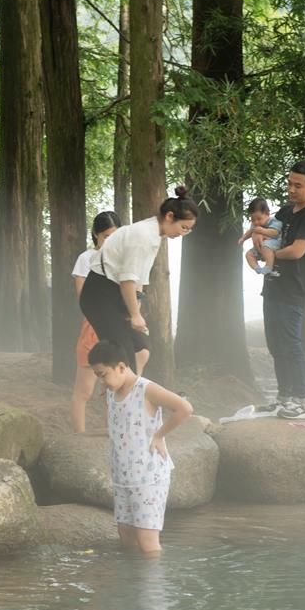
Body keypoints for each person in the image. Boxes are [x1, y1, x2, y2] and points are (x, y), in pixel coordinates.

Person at [88, 340, 193, 554]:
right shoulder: (112, 390)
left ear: (121, 367)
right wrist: (106, 384)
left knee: (147, 542)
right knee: (125, 534)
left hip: (148, 476)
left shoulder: (146, 389)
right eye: (98, 375)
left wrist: (159, 435)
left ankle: (154, 586)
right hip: (123, 476)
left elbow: (184, 408)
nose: (102, 381)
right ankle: (131, 583)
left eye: (103, 374)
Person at [80, 187, 198, 374]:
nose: (183, 233)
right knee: (124, 358)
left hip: (115, 293)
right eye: (183, 227)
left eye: (188, 231)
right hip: (99, 294)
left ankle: (126, 391)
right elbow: (127, 280)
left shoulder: (154, 235)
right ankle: (120, 393)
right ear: (169, 216)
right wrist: (135, 315)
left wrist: (134, 309)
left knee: (141, 348)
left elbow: (138, 280)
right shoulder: (143, 236)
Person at [71, 211, 150, 433]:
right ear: (96, 235)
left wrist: (133, 311)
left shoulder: (125, 259)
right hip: (94, 324)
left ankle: (114, 430)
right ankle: (79, 436)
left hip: (118, 322)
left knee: (120, 378)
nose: (110, 240)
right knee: (84, 389)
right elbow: (83, 295)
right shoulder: (86, 258)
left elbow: (134, 291)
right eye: (106, 236)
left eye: (115, 236)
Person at [258, 160, 305, 420]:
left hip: (292, 290)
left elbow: (297, 251)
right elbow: (271, 234)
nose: (291, 189)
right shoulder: (287, 211)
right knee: (275, 345)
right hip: (273, 286)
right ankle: (283, 398)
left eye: (298, 185)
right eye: (289, 183)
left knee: (291, 345)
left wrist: (269, 254)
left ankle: (302, 402)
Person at [239, 197, 282, 276]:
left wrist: (262, 231)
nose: (256, 222)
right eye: (253, 219)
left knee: (265, 247)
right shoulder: (255, 225)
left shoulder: (273, 221)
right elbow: (250, 231)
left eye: (259, 219)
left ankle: (269, 267)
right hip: (260, 246)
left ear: (267, 214)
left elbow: (275, 232)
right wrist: (243, 238)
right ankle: (257, 268)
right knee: (248, 254)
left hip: (273, 244)